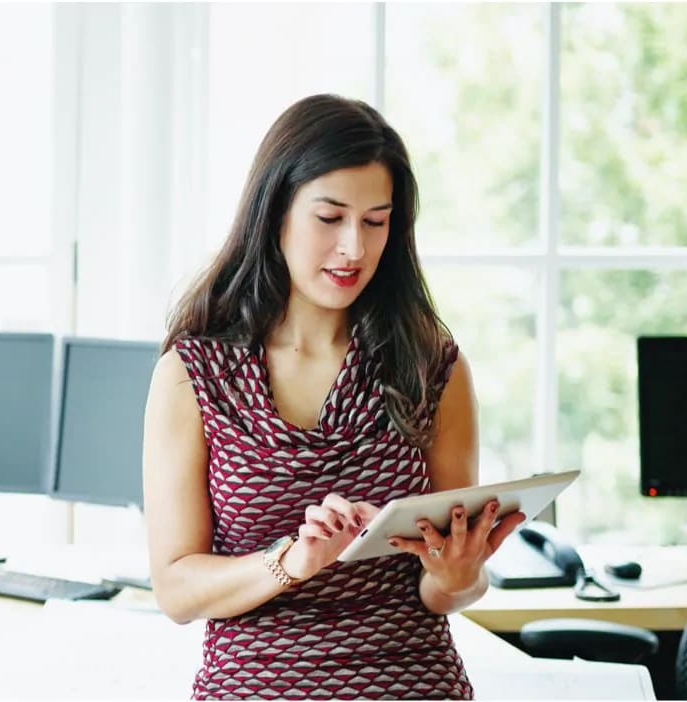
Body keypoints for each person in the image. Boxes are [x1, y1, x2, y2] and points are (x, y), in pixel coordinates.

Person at [141, 94, 526, 700]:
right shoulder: (194, 373)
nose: (354, 248)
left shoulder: (434, 366)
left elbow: (444, 593)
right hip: (254, 687)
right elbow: (177, 590)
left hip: (411, 682)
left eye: (376, 222)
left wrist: (458, 574)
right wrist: (292, 561)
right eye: (330, 218)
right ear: (276, 215)